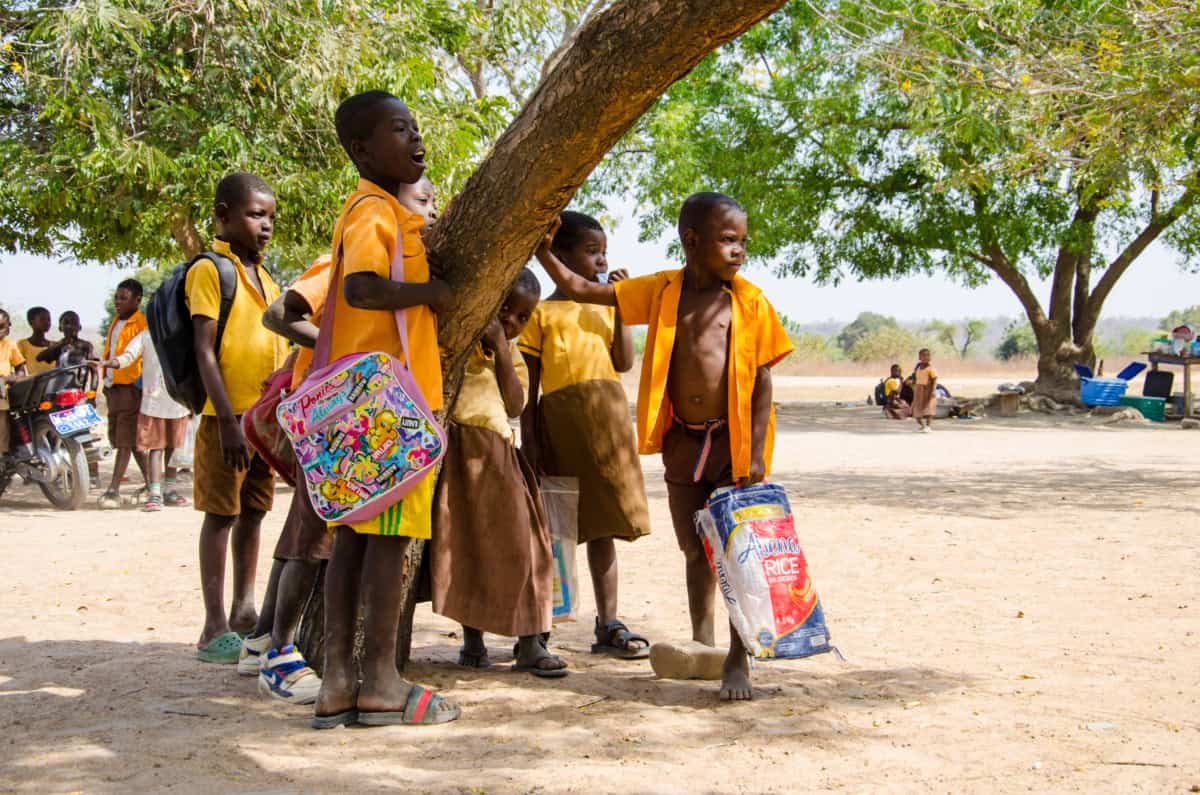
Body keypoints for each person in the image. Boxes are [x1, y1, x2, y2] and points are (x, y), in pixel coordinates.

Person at [535, 192, 794, 701]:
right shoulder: (662, 291)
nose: (739, 250)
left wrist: (758, 452)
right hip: (682, 442)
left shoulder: (749, 301)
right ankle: (704, 644)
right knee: (694, 550)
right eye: (727, 240)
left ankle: (740, 660)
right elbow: (580, 288)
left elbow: (762, 380)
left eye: (742, 241)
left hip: (733, 442)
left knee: (738, 553)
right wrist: (543, 251)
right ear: (691, 241)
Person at [241, 175, 440, 705]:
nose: (432, 212)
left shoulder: (386, 238)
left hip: (349, 408)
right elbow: (280, 313)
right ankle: (277, 649)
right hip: (348, 412)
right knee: (311, 540)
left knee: (327, 538)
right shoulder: (362, 242)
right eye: (422, 202)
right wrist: (337, 364)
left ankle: (284, 649)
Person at [312, 91, 458, 729]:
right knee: (388, 539)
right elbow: (362, 288)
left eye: (416, 127)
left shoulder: (375, 208)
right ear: (361, 150)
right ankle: (379, 680)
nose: (416, 138)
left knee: (350, 538)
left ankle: (338, 680)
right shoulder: (375, 210)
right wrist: (433, 291)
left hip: (362, 401)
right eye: (400, 129)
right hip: (389, 408)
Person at [518, 211, 653, 661]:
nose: (601, 261)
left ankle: (607, 622)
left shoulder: (605, 305)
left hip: (607, 423)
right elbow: (532, 384)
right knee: (556, 527)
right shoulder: (539, 311)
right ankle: (541, 628)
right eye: (591, 251)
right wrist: (532, 439)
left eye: (603, 252)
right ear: (558, 255)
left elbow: (624, 361)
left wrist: (623, 308)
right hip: (561, 422)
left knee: (605, 526)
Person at [431, 269, 567, 677]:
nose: (511, 321)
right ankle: (473, 642)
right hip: (454, 454)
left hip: (496, 451)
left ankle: (529, 642)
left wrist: (502, 350)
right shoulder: (453, 341)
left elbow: (515, 406)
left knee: (525, 545)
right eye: (505, 308)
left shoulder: (512, 355)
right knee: (465, 546)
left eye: (523, 317)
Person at [187, 172, 289, 664]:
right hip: (224, 420)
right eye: (255, 215)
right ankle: (213, 625)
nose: (265, 225)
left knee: (254, 513)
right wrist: (228, 421)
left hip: (263, 424)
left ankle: (244, 610)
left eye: (270, 216)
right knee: (221, 514)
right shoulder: (211, 270)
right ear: (223, 216)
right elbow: (205, 352)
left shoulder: (267, 278)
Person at [100, 328, 190, 511]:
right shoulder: (147, 335)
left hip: (178, 403)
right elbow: (128, 356)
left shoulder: (184, 333)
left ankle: (169, 491)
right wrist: (110, 363)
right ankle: (155, 493)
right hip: (154, 403)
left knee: (173, 448)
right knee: (156, 448)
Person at [97, 279, 150, 509]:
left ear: (137, 300)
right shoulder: (117, 321)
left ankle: (113, 490)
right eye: (116, 298)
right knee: (129, 440)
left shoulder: (142, 324)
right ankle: (152, 484)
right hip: (114, 388)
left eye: (123, 298)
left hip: (131, 388)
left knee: (124, 440)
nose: (118, 302)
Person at [0, 309, 28, 456]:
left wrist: (8, 379)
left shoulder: (10, 346)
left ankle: (3, 454)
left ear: (8, 327)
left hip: (4, 394)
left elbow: (21, 370)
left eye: (1, 327)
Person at [18, 307, 55, 376]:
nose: (47, 322)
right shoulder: (23, 344)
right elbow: (18, 367)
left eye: (49, 319)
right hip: (34, 384)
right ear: (31, 322)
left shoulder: (55, 345)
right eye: (42, 319)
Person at [911, 348, 938, 432]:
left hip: (928, 390)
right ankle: (922, 426)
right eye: (923, 355)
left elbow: (935, 379)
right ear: (919, 357)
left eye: (927, 355)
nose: (926, 357)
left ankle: (928, 426)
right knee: (917, 409)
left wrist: (933, 390)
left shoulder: (931, 368)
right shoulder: (918, 368)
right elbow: (915, 379)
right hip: (919, 390)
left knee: (929, 408)